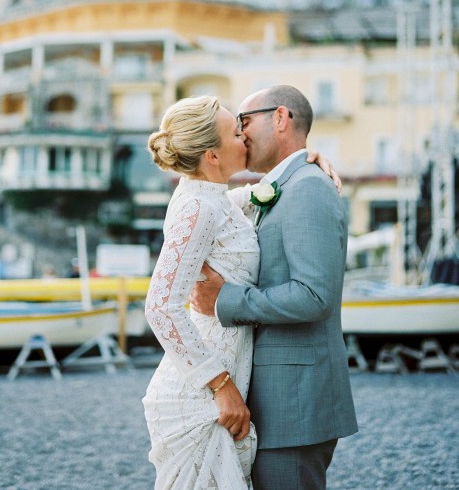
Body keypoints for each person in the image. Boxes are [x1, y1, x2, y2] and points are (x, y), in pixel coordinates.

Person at [142, 94, 339, 489]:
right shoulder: (196, 207)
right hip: (203, 394)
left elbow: (258, 196)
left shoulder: (216, 199)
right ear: (212, 156)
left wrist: (305, 161)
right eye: (236, 132)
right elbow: (160, 307)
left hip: (226, 384)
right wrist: (220, 385)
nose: (244, 138)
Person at [191, 85, 358, 490]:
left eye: (244, 122)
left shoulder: (308, 189)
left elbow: (313, 295)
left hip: (294, 406)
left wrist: (225, 299)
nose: (241, 134)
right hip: (280, 401)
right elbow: (201, 204)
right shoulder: (290, 185)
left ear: (280, 118)